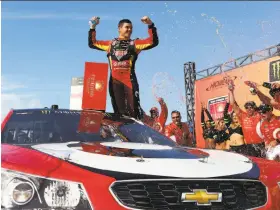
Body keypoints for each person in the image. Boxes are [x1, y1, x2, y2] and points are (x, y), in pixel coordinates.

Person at [88, 16, 159, 120]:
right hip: (115, 82)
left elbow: (153, 42)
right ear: (119, 28)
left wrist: (150, 25)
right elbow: (92, 43)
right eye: (127, 27)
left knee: (133, 112)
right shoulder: (110, 44)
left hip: (130, 82)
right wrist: (92, 27)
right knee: (119, 113)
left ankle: (138, 131)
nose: (129, 30)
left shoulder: (135, 43)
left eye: (131, 28)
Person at [228, 81, 265, 157]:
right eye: (247, 107)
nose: (249, 109)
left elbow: (264, 101)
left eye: (251, 107)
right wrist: (231, 91)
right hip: (249, 146)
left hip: (261, 145)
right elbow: (233, 104)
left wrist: (256, 90)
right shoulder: (243, 116)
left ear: (255, 108)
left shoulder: (259, 115)